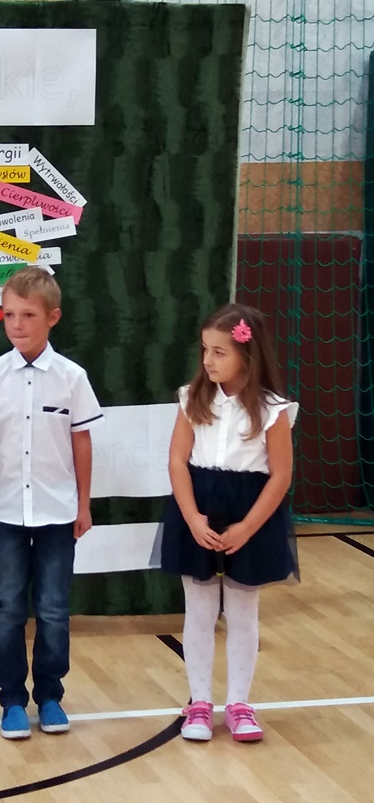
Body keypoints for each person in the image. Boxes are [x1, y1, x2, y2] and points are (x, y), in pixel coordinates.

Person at [0, 267, 103, 740]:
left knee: (53, 609)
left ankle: (49, 696)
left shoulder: (72, 377)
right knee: (7, 608)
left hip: (58, 513)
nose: (17, 325)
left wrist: (83, 504)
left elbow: (81, 441)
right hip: (4, 511)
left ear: (53, 317)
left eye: (27, 315)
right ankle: (11, 701)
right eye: (9, 315)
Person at [159, 303, 298, 743]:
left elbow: (280, 475)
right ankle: (200, 702)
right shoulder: (191, 399)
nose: (208, 360)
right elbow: (177, 462)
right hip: (199, 509)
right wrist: (191, 517)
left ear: (247, 354)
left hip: (249, 513)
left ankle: (239, 703)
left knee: (242, 611)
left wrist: (248, 527)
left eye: (219, 352)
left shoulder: (273, 410)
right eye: (205, 350)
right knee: (199, 610)